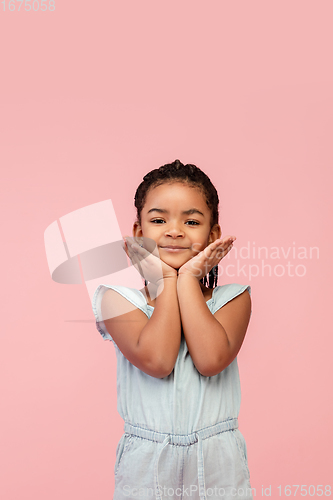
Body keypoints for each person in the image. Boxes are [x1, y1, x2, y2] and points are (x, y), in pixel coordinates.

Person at [92, 159, 253, 500]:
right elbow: (159, 360)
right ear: (139, 234)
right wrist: (166, 279)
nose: (174, 231)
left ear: (213, 236)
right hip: (148, 465)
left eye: (191, 221)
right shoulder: (117, 301)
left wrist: (188, 280)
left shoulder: (232, 299)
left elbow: (210, 360)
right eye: (158, 220)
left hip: (217, 463)